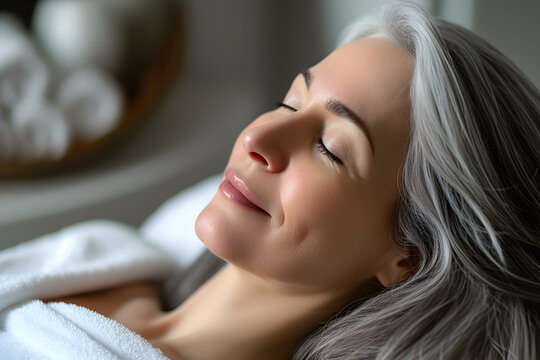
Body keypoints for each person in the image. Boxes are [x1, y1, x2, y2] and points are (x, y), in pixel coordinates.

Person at [4, 2, 539, 359]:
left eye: (330, 148)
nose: (258, 140)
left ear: (408, 255)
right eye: (289, 100)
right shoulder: (120, 259)